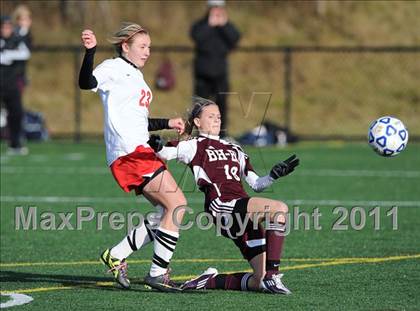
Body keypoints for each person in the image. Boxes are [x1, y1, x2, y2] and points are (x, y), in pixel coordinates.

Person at [149, 97, 299, 294]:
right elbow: (165, 153)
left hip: (243, 210)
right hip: (222, 205)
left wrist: (272, 176)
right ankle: (273, 276)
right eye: (211, 116)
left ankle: (208, 281)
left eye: (219, 116)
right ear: (197, 122)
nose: (217, 120)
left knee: (258, 280)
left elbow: (256, 184)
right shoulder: (194, 145)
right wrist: (156, 144)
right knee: (279, 209)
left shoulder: (235, 148)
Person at [78, 23, 188, 292]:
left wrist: (167, 122)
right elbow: (86, 83)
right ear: (125, 46)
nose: (147, 52)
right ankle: (157, 273)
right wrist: (90, 52)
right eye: (142, 46)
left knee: (167, 210)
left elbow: (137, 121)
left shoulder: (137, 77)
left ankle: (115, 255)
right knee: (177, 205)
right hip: (129, 154)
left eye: (149, 47)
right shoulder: (113, 67)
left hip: (139, 151)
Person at [190, 0, 240, 138]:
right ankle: (199, 132)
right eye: (214, 7)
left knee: (222, 103)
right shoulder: (201, 25)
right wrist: (209, 25)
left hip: (220, 73)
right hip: (203, 73)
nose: (217, 10)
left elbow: (235, 38)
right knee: (200, 104)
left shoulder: (226, 26)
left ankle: (221, 133)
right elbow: (196, 37)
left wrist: (224, 25)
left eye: (219, 7)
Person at [0, 15, 31, 155]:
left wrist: (8, 55)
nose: (6, 30)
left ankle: (15, 144)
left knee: (16, 114)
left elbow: (25, 53)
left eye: (8, 27)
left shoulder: (16, 39)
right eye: (3, 27)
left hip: (11, 84)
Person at [12, 5, 33, 95]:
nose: (26, 22)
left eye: (27, 19)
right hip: (11, 73)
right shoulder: (15, 33)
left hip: (20, 73)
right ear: (17, 21)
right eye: (23, 19)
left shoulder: (27, 34)